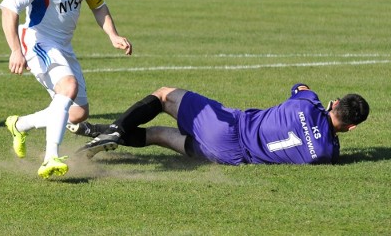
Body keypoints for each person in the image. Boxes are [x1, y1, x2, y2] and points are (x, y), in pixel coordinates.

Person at [0, 0, 132, 179]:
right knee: (68, 87)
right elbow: (8, 8)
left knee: (78, 114)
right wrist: (15, 49)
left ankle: (20, 124)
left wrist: (113, 35)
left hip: (62, 46)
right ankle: (51, 157)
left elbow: (98, 6)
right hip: (38, 42)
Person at [74, 83, 369, 165]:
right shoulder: (327, 153)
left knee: (163, 96)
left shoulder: (309, 103)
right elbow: (326, 140)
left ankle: (111, 130)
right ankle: (95, 132)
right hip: (228, 156)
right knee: (157, 135)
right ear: (352, 127)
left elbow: (300, 86)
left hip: (229, 127)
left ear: (336, 103)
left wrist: (322, 106)